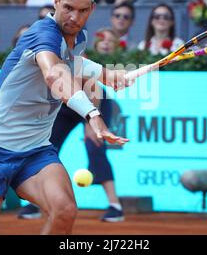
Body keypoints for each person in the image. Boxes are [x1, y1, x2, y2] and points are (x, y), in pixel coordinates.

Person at [0, 0, 133, 235]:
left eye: (82, 10)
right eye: (67, 8)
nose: (74, 17)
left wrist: (105, 74)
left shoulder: (79, 37)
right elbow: (55, 73)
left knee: (64, 210)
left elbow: (72, 61)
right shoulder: (42, 33)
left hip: (35, 151)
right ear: (55, 1)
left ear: (92, 9)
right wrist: (92, 114)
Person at [18, 27, 126, 222]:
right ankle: (35, 202)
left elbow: (90, 86)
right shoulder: (37, 55)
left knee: (95, 146)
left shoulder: (70, 53)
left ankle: (115, 205)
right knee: (46, 148)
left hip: (93, 99)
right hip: (65, 104)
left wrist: (91, 120)